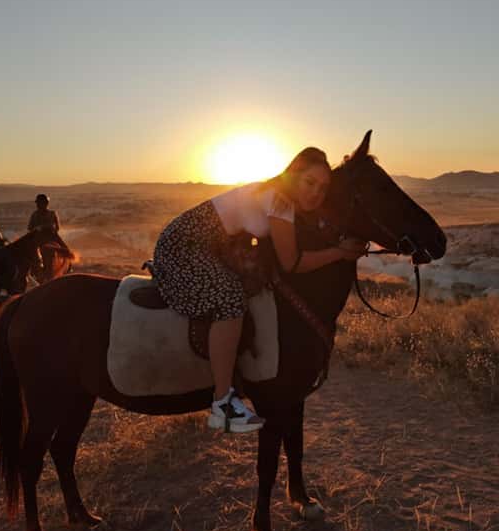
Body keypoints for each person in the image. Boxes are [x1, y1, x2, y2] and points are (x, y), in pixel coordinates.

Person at [152, 147, 367, 433]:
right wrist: (340, 252)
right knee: (229, 301)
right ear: (293, 177)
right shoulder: (280, 201)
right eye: (310, 182)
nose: (316, 193)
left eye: (323, 188)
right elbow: (292, 263)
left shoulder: (279, 197)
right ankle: (222, 404)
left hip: (206, 246)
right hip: (185, 247)